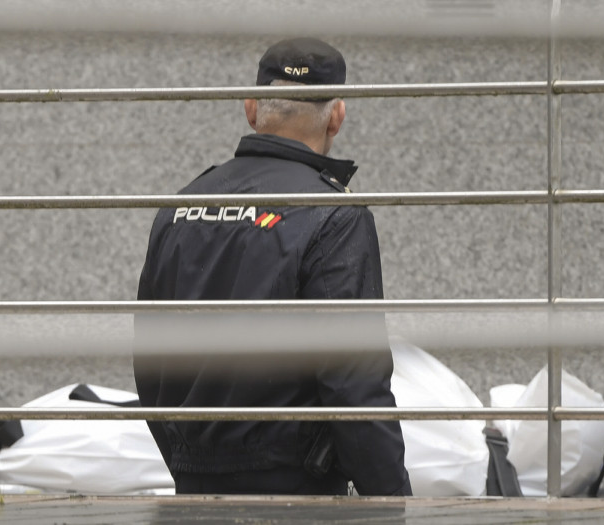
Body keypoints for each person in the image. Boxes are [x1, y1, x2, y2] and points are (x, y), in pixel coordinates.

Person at [133, 38, 411, 496]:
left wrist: (191, 464)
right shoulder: (334, 216)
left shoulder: (182, 205)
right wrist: (393, 501)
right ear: (337, 116)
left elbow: (150, 359)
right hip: (295, 495)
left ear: (250, 107)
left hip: (193, 489)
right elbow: (353, 383)